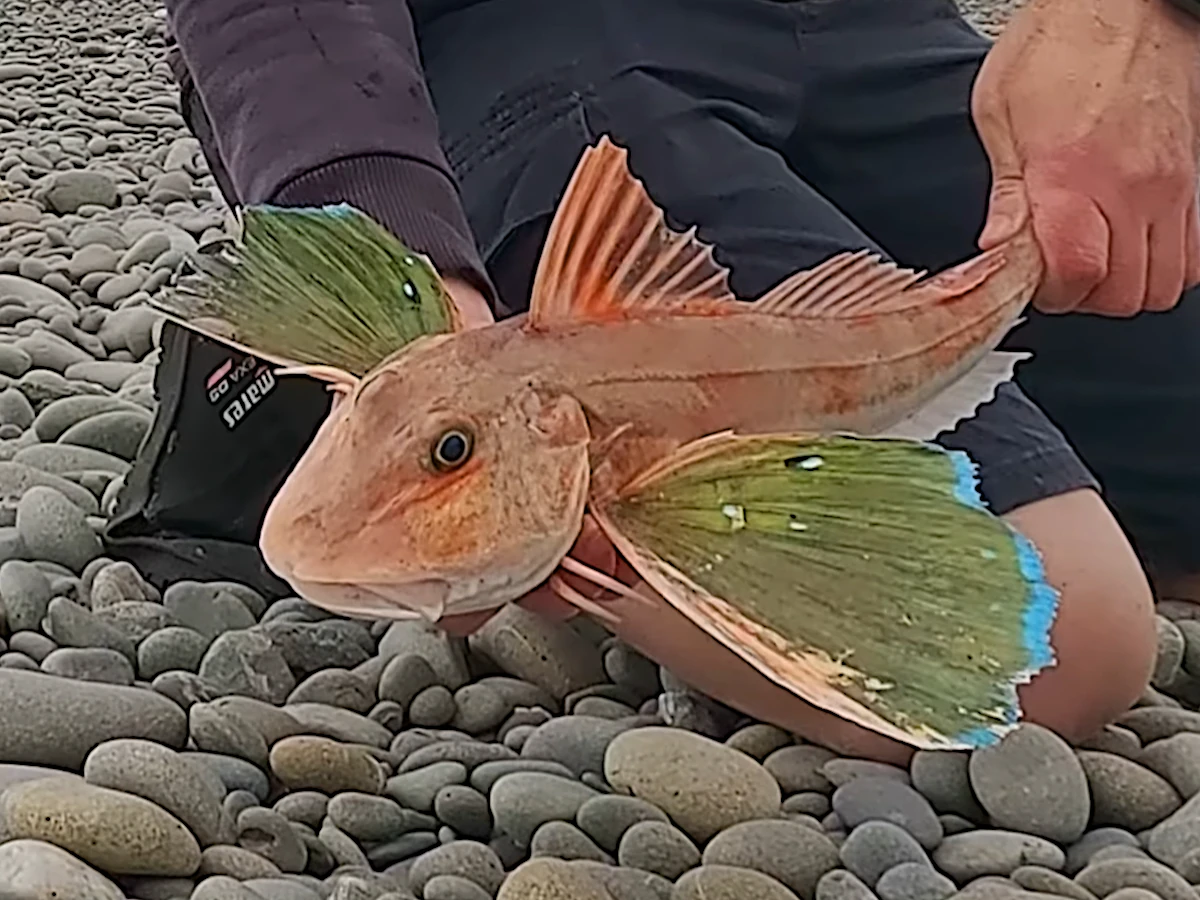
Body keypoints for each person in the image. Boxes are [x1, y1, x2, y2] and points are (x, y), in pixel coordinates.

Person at [112, 0, 1200, 761]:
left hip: (884, 32)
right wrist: (392, 240)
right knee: (1074, 637)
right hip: (535, 45)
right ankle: (571, 499)